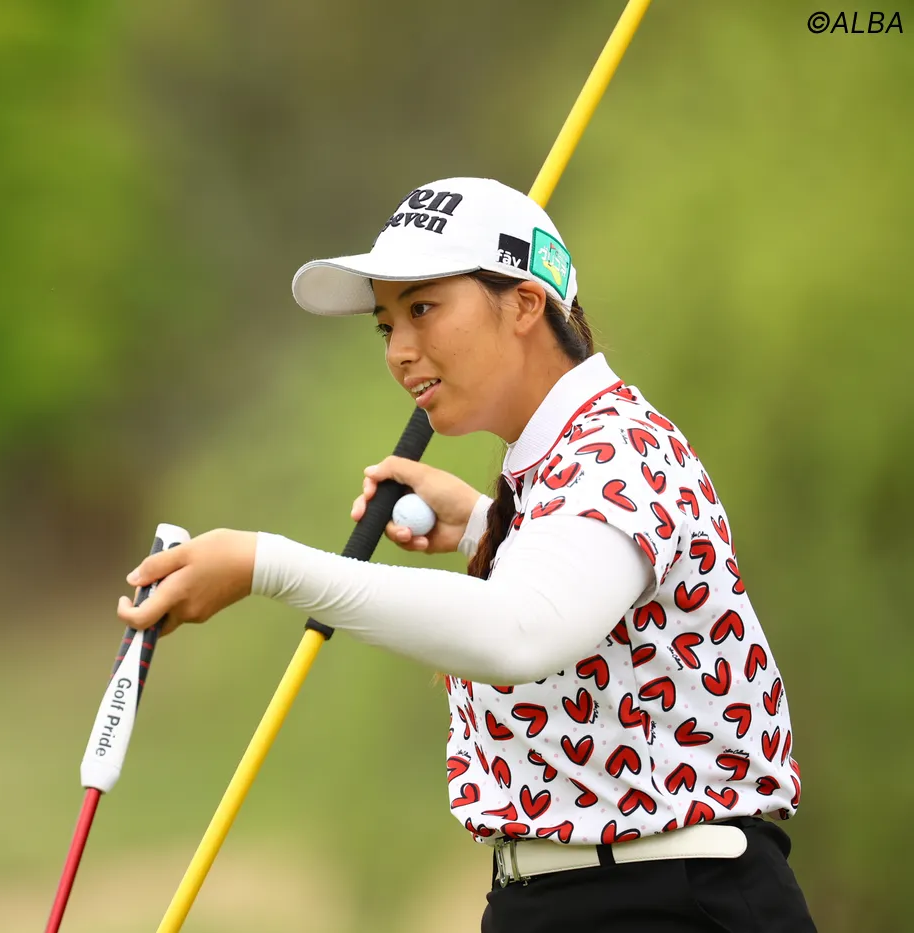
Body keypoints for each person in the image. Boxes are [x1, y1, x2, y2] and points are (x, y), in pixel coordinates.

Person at [116, 177, 815, 932]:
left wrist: (267, 565)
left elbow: (520, 633)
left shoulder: (616, 448)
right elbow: (603, 614)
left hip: (669, 900)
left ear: (525, 304)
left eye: (422, 309)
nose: (400, 351)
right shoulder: (558, 465)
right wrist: (487, 529)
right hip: (563, 897)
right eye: (386, 325)